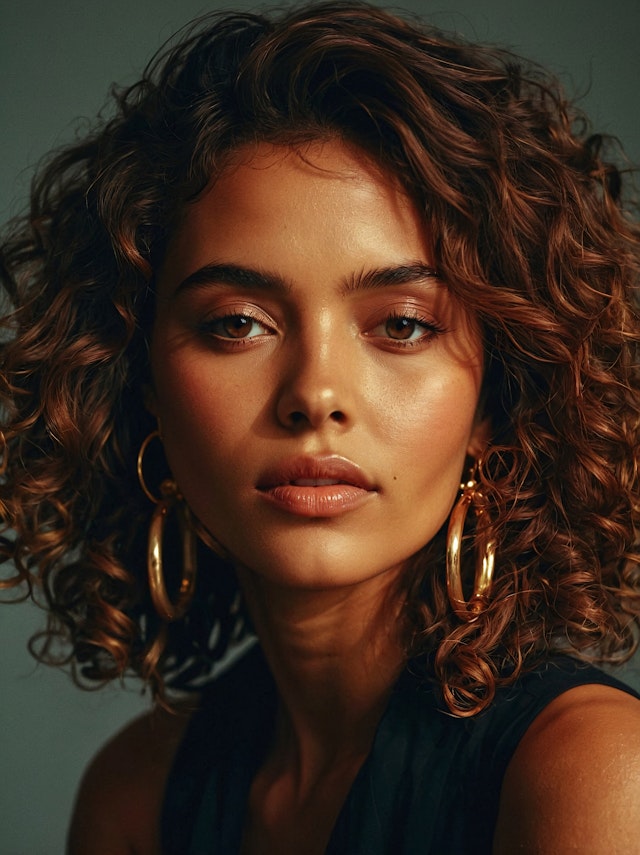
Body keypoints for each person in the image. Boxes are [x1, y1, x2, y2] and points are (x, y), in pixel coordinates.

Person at [1, 2, 640, 852]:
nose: (315, 394)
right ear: (141, 378)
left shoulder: (596, 773)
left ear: (496, 399)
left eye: (402, 324)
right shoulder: (135, 797)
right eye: (237, 322)